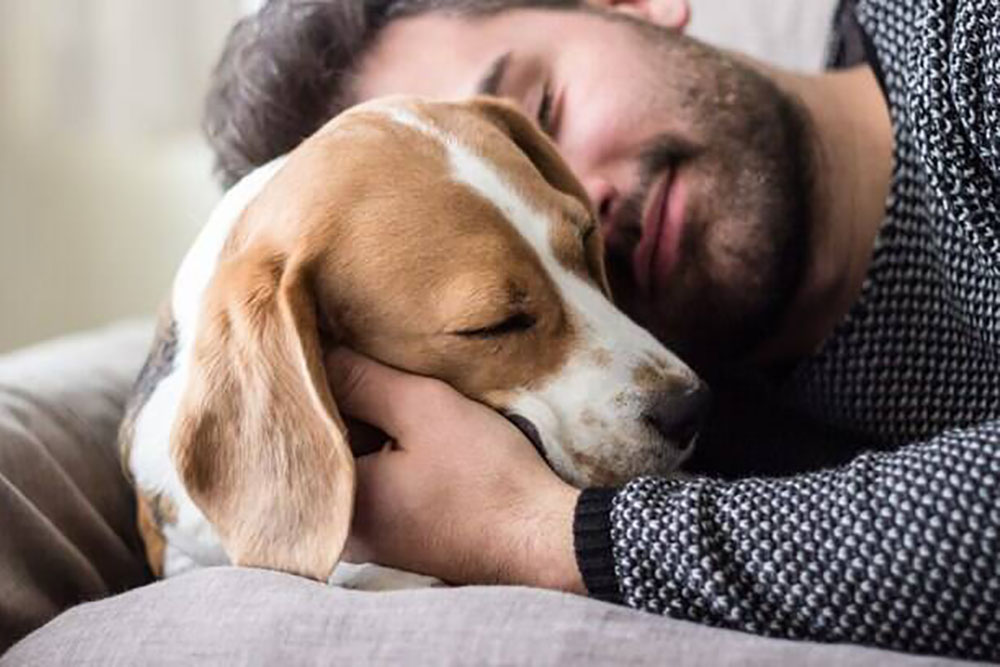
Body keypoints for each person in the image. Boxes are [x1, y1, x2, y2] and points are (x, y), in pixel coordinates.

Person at [203, 0, 1000, 660]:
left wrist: (551, 537)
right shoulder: (682, 429)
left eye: (537, 114)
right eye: (494, 314)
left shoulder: (967, 42)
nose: (571, 190)